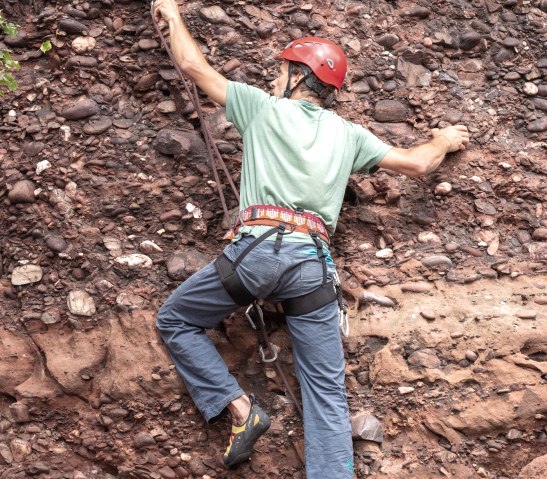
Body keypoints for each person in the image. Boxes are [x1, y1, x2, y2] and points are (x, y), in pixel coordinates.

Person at [153, 0, 470, 477]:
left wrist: (172, 13)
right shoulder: (349, 134)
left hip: (256, 253)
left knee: (175, 320)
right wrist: (444, 140)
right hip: (311, 267)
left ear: (299, 77)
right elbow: (417, 164)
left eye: (281, 70)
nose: (274, 78)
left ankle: (240, 409)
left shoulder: (263, 108)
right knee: (325, 390)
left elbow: (193, 66)